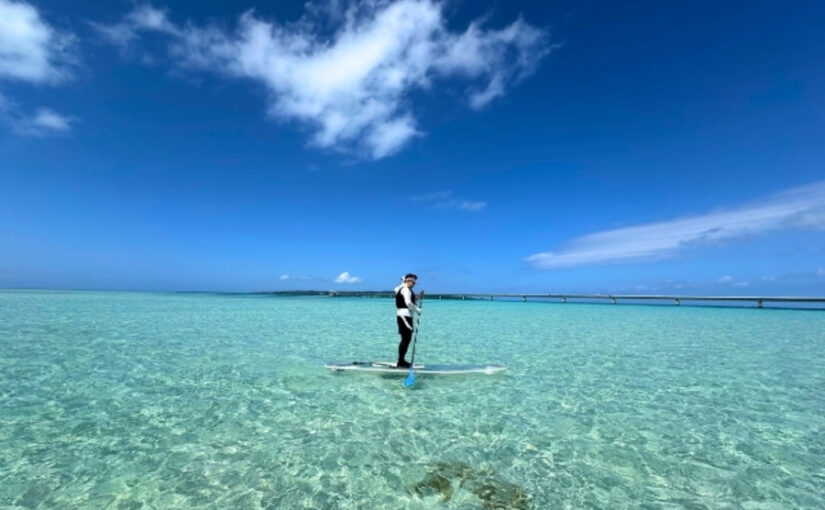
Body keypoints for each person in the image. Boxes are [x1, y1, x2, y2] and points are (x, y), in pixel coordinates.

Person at [394, 273, 422, 368]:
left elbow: (408, 299)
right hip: (404, 316)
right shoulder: (406, 289)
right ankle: (401, 361)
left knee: (406, 338)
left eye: (415, 282)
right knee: (406, 339)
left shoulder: (401, 288)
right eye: (413, 282)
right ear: (408, 281)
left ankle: (401, 360)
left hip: (404, 316)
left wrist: (418, 297)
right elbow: (408, 303)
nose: (414, 284)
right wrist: (417, 310)